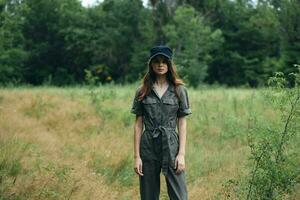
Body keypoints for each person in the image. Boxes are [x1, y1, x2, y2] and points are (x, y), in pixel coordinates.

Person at [130, 45, 192, 200]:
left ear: (169, 65)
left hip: (171, 145)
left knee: (180, 196)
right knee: (148, 195)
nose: (160, 64)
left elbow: (182, 122)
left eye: (164, 61)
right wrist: (137, 157)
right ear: (151, 64)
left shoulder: (179, 90)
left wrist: (181, 154)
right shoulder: (142, 90)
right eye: (157, 61)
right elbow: (138, 124)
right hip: (148, 145)